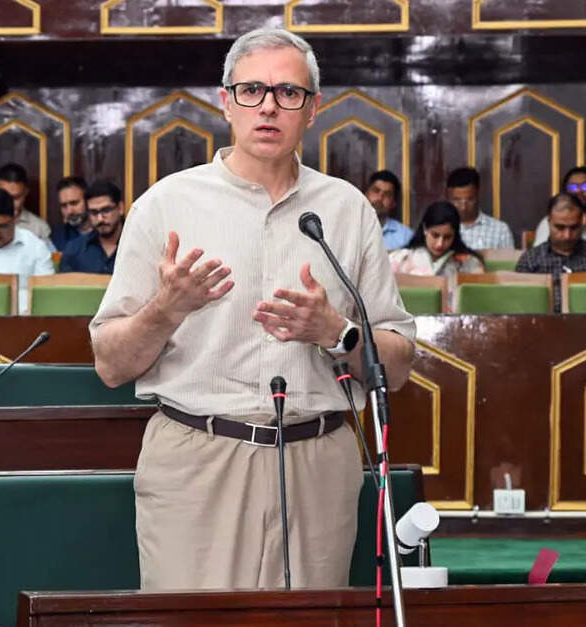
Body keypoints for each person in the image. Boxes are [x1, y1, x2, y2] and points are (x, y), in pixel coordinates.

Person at [89, 27, 415, 591]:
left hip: (317, 463)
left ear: (312, 109)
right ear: (226, 102)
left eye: (288, 93)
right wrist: (166, 309)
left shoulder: (346, 210)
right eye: (251, 90)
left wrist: (337, 331)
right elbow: (110, 365)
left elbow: (400, 365)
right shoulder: (166, 205)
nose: (268, 106)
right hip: (198, 462)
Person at [515, 193, 586, 312]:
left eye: (574, 228)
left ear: (582, 222)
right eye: (560, 228)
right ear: (549, 222)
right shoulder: (530, 261)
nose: (567, 236)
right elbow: (520, 307)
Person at [388, 201, 485, 277]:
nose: (440, 244)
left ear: (455, 235)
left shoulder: (469, 263)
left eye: (447, 237)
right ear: (425, 229)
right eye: (435, 235)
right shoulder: (400, 259)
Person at [59, 180, 123, 274]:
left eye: (106, 210)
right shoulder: (74, 249)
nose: (100, 218)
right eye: (94, 212)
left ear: (120, 208)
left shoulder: (138, 244)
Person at [445, 167, 514, 250]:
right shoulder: (440, 229)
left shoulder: (500, 230)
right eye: (457, 200)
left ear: (478, 195)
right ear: (448, 197)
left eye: (470, 199)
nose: (463, 207)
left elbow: (508, 258)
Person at [365, 170, 413, 251]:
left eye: (387, 194)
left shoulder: (405, 236)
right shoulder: (351, 228)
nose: (380, 198)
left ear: (393, 202)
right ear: (366, 195)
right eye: (376, 191)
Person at [50, 175, 92, 252]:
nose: (69, 211)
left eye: (74, 203)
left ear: (88, 201)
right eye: (64, 205)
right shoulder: (57, 236)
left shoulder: (104, 230)